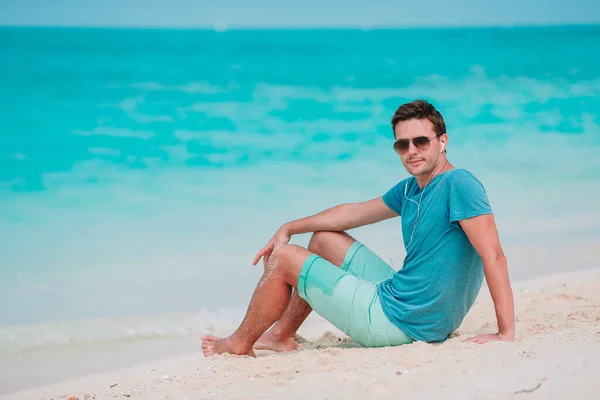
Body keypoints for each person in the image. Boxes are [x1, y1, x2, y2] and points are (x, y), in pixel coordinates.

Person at [202, 99, 515, 357]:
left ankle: (238, 344)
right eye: (402, 144)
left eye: (421, 141)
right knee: (323, 239)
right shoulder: (411, 189)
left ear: (442, 142)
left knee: (284, 259)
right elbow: (352, 214)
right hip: (410, 303)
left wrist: (505, 333)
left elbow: (494, 256)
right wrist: (289, 226)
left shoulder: (459, 184)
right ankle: (281, 335)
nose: (411, 151)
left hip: (402, 321)